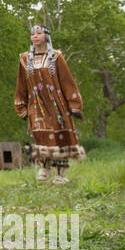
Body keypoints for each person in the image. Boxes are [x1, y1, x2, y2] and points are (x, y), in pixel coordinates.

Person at [13, 25, 86, 184]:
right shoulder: (25, 59)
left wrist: (74, 104)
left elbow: (67, 81)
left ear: (46, 36)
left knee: (60, 136)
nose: (35, 36)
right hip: (37, 105)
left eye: (39, 33)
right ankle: (44, 168)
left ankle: (60, 174)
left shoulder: (56, 56)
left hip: (56, 105)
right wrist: (21, 106)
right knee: (40, 134)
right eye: (32, 34)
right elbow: (21, 85)